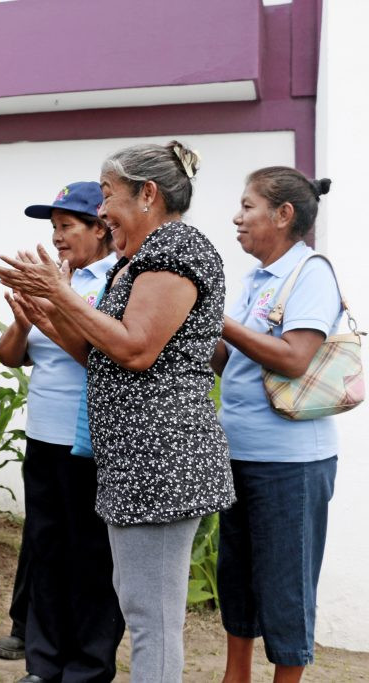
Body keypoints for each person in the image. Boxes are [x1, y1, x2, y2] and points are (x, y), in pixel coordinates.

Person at [0, 141, 235, 682]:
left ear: (148, 194)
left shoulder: (176, 251)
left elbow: (135, 349)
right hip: (132, 461)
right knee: (141, 604)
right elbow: (102, 357)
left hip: (162, 461)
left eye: (107, 196)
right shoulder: (135, 261)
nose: (102, 211)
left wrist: (60, 291)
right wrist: (46, 313)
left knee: (153, 619)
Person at [212, 168, 339, 683]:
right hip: (239, 450)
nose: (236, 218)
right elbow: (234, 362)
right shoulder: (253, 279)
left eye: (248, 207)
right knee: (236, 574)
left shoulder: (310, 273)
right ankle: (234, 676)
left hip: (292, 461)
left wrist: (222, 324)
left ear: (284, 215)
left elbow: (293, 359)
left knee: (287, 583)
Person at [0, 182, 123, 683]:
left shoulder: (116, 281)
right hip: (45, 434)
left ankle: (88, 667)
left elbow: (102, 357)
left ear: (101, 228)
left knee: (90, 553)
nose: (58, 238)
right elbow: (10, 357)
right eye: (54, 229)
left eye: (67, 227)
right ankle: (43, 665)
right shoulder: (56, 279)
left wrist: (55, 308)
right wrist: (23, 320)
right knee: (46, 550)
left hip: (91, 439)